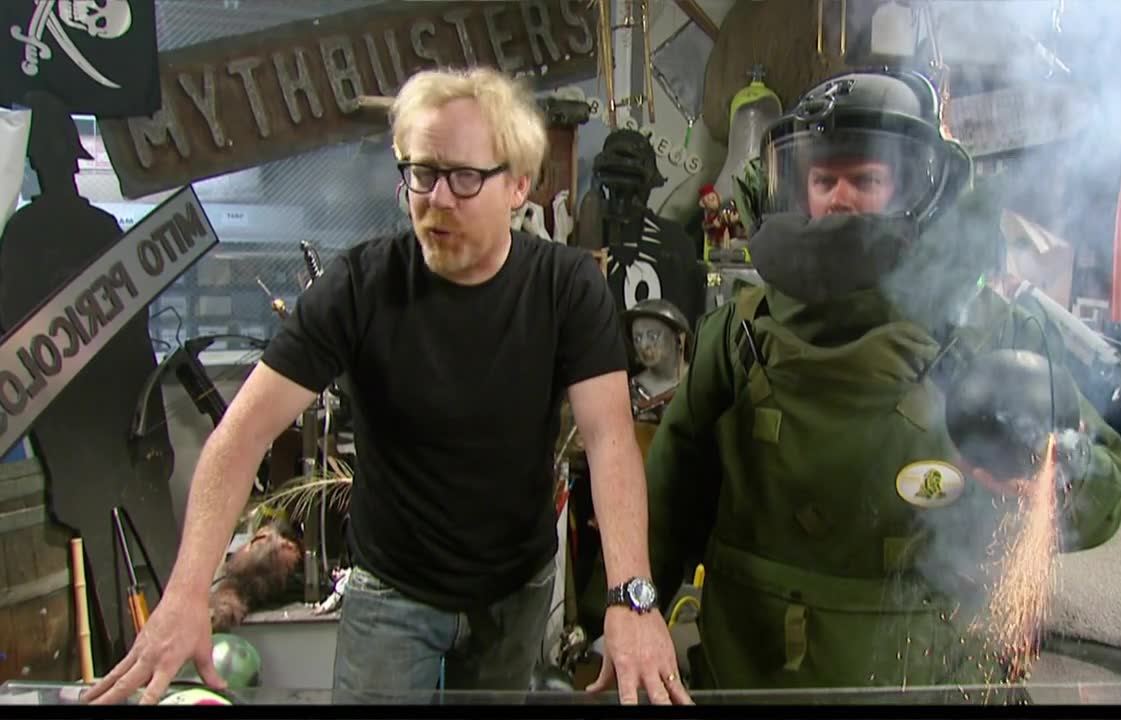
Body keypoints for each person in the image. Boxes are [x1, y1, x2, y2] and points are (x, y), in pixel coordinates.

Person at [85, 67, 689, 705]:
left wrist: (632, 597)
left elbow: (610, 440)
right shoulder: (359, 286)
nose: (437, 199)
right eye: (422, 173)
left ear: (518, 185)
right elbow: (241, 437)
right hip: (392, 588)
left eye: (464, 177)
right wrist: (185, 594)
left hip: (514, 590)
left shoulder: (566, 288)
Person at [644, 68, 1121, 690]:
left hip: (929, 682)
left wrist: (1052, 469)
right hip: (754, 681)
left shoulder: (995, 334)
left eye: (866, 179)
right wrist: (627, 616)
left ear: (920, 190)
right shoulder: (739, 336)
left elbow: (1100, 497)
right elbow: (664, 510)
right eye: (824, 180)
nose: (840, 199)